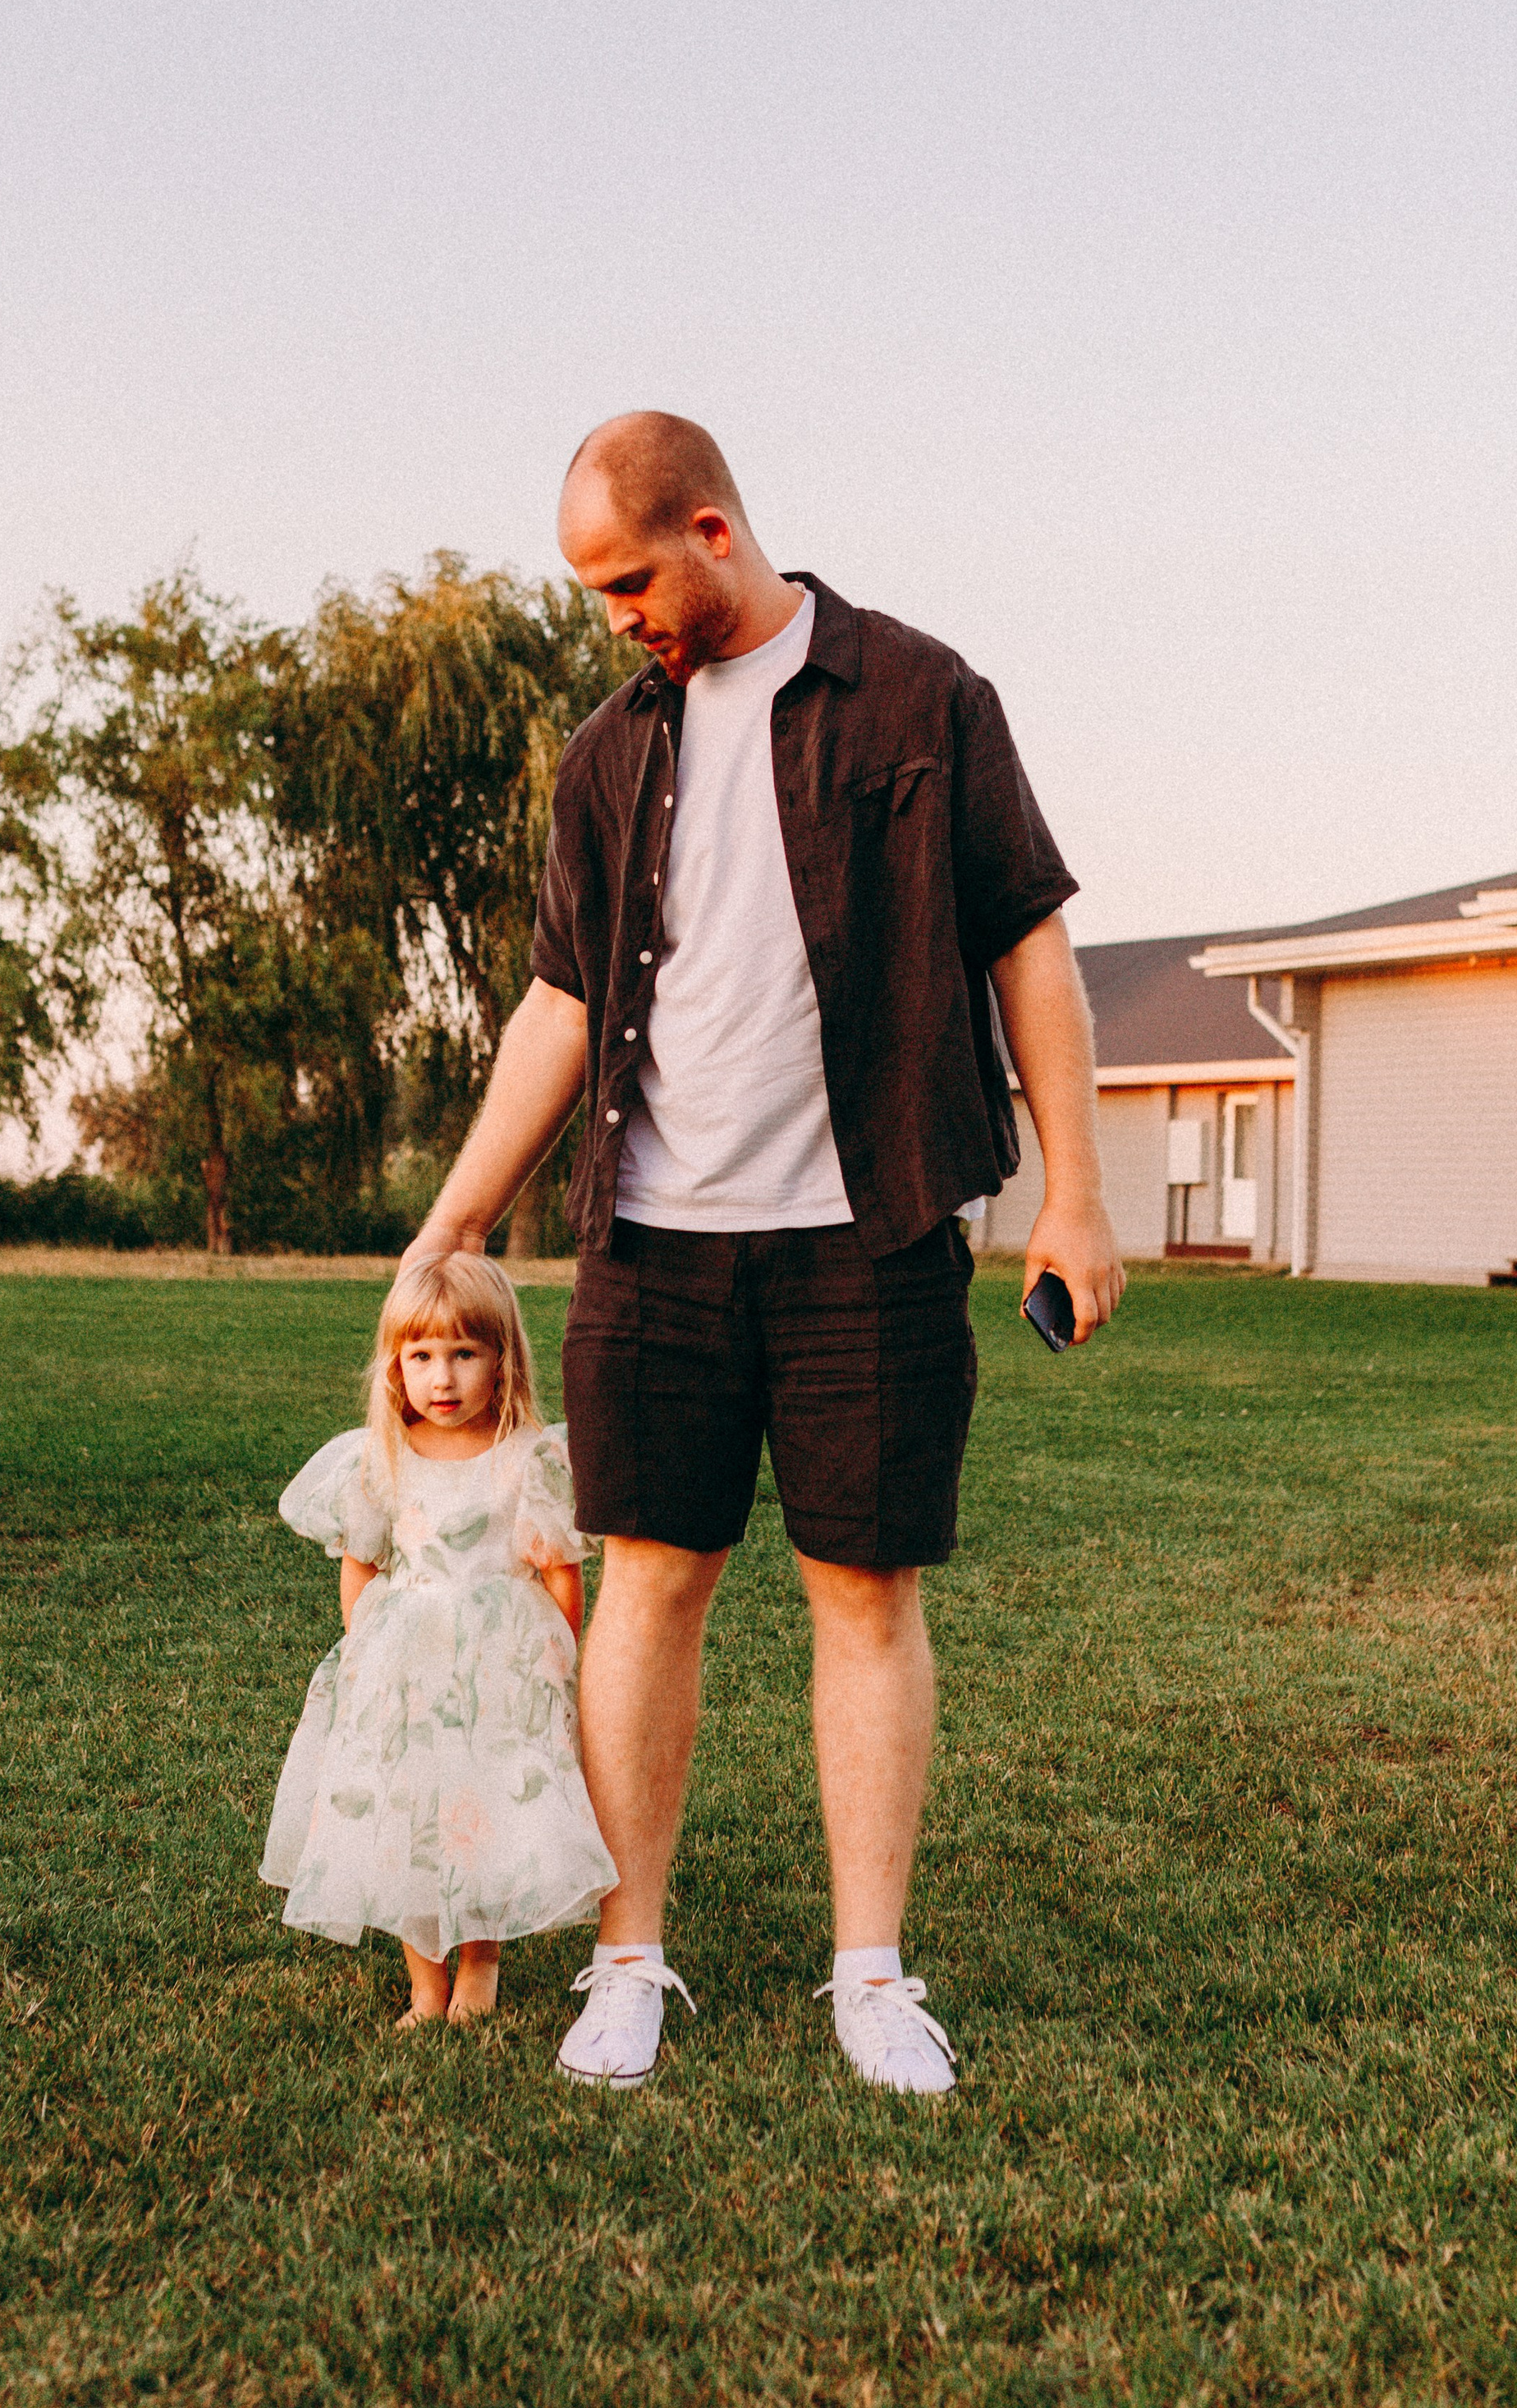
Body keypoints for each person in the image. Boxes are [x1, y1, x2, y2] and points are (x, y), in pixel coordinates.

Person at [401, 411, 1122, 2092]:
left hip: (863, 1238)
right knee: (645, 1585)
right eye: (592, 592)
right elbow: (563, 1003)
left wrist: (1071, 1192)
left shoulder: (920, 699)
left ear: (713, 530)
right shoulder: (605, 752)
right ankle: (625, 1958)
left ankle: (868, 1972)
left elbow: (1023, 940)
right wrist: (449, 1216)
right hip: (652, 1242)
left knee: (864, 1593)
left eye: (629, 579)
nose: (616, 618)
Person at [259, 1251, 618, 2025]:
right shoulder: (382, 1454)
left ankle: (481, 1960)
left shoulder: (528, 1457)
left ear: (502, 1360)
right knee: (408, 1814)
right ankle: (426, 1981)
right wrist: (365, 1648)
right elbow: (360, 1563)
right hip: (406, 1665)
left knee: (482, 1803)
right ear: (396, 1364)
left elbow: (559, 1571)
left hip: (500, 1664)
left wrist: (557, 1653)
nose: (442, 1378)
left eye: (463, 1354)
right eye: (421, 1356)